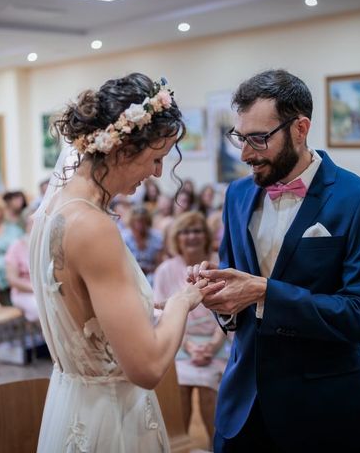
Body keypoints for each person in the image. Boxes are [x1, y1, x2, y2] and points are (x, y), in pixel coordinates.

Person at [189, 70, 360, 452]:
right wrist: (219, 298)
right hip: (242, 407)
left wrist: (265, 292)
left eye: (259, 139)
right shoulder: (237, 194)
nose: (246, 154)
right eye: (240, 138)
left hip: (320, 413)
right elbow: (234, 291)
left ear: (300, 129)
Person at [29, 73, 222, 452]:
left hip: (73, 402)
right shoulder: (93, 227)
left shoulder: (52, 209)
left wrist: (146, 307)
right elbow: (147, 368)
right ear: (121, 149)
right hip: (109, 417)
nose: (157, 174)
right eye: (155, 158)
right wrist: (184, 300)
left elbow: (83, 313)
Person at [154, 211, 228, 447]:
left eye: (196, 230)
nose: (191, 236)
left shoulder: (219, 263)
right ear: (177, 237)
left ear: (205, 235)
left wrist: (213, 344)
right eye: (185, 231)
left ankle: (214, 446)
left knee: (208, 386)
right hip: (179, 339)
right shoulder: (166, 269)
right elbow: (160, 312)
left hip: (219, 338)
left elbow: (231, 309)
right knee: (179, 385)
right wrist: (187, 344)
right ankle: (178, 444)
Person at [5, 212, 38, 322]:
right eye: (31, 223)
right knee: (42, 309)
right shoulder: (16, 246)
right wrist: (35, 289)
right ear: (25, 226)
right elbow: (12, 280)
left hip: (44, 292)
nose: (34, 226)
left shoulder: (47, 244)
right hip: (23, 293)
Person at [121, 206, 164, 284]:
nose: (140, 224)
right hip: (130, 274)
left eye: (143, 221)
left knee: (152, 279)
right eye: (137, 221)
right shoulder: (124, 237)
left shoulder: (156, 237)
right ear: (132, 222)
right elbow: (122, 262)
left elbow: (159, 264)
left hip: (151, 275)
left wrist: (148, 269)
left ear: (148, 221)